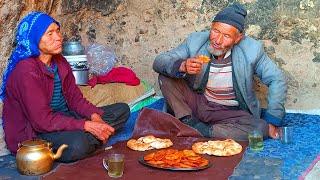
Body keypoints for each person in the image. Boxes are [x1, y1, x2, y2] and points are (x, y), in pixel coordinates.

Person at [0, 12, 130, 162]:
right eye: (50, 33)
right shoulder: (26, 70)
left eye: (57, 31)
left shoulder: (59, 61)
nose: (58, 37)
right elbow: (42, 121)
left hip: (65, 118)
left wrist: (95, 117)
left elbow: (76, 100)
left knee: (122, 110)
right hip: (37, 132)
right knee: (77, 144)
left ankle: (93, 137)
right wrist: (86, 125)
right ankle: (89, 139)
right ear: (34, 39)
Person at [153, 3, 287, 140]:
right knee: (166, 77)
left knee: (260, 128)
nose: (217, 40)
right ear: (211, 27)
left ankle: (202, 130)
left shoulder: (252, 50)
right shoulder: (195, 41)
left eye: (227, 36)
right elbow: (160, 61)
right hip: (200, 103)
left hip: (231, 113)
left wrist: (273, 119)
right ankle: (187, 121)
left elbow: (277, 79)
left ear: (238, 38)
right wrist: (182, 66)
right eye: (215, 31)